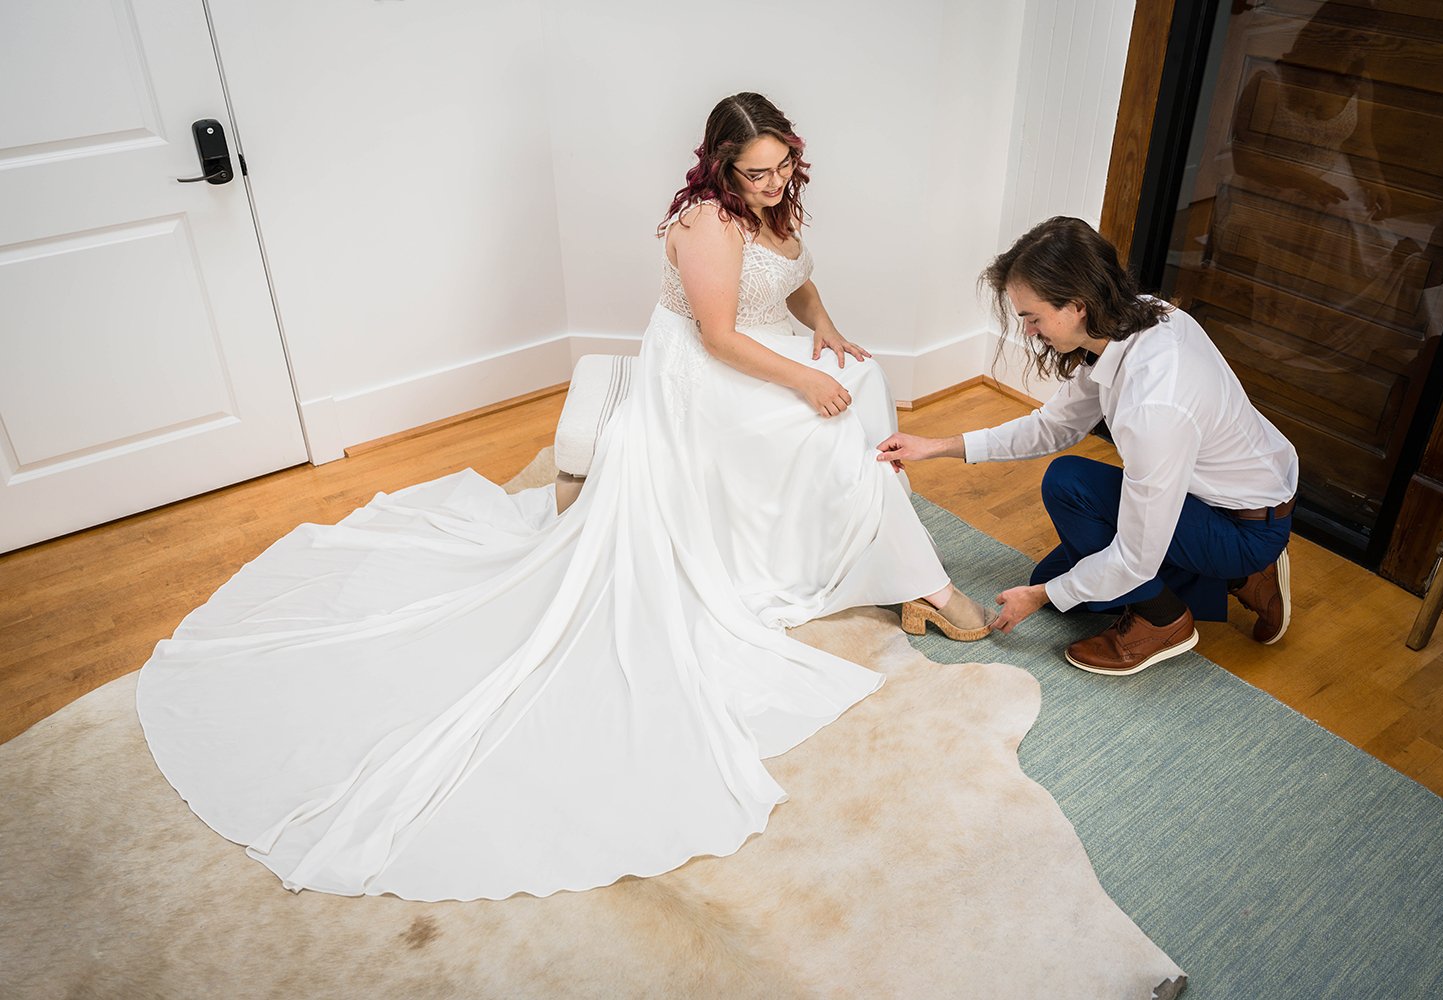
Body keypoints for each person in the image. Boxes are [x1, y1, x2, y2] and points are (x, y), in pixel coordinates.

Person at [135, 92, 991, 903]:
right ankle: (917, 581)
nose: (771, 186)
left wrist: (827, 334)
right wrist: (805, 379)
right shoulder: (705, 222)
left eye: (780, 169)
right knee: (822, 425)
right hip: (703, 369)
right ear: (721, 167)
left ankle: (855, 552)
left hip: (763, 346)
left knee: (867, 382)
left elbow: (795, 279)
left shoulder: (779, 204)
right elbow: (721, 334)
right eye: (755, 174)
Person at [877, 217, 1298, 676]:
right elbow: (1053, 427)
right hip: (1211, 497)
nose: (1031, 332)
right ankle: (1229, 577)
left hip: (1242, 527)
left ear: (1076, 305)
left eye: (1033, 318)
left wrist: (1039, 598)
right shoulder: (1134, 319)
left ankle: (1168, 620)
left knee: (1068, 489)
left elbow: (1137, 558)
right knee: (1059, 585)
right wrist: (937, 446)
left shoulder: (1154, 404)